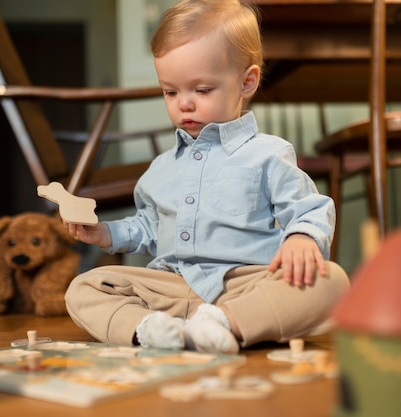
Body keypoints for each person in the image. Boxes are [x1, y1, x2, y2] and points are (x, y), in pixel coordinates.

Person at [64, 0, 349, 354]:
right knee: (83, 286)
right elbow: (149, 228)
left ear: (247, 83)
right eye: (170, 91)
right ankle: (148, 330)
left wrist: (302, 239)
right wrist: (106, 233)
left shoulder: (268, 154)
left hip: (242, 285)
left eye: (201, 90)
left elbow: (309, 208)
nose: (183, 103)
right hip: (169, 286)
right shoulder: (160, 168)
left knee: (332, 281)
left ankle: (224, 322)